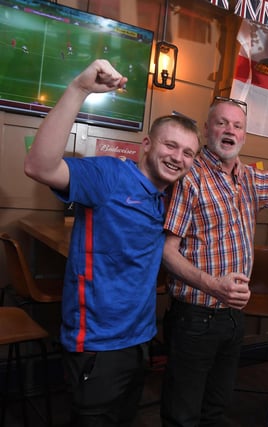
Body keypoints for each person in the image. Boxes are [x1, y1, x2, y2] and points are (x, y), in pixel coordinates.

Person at [23, 59, 201, 426]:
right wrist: (79, 89)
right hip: (98, 345)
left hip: (140, 340)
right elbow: (39, 167)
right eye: (171, 145)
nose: (178, 158)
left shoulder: (169, 196)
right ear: (147, 144)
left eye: (188, 153)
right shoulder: (110, 175)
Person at [160, 99, 268, 426]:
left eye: (237, 125)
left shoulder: (247, 178)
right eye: (222, 123)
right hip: (195, 317)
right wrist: (213, 285)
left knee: (217, 408)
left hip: (233, 317)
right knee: (182, 413)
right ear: (206, 129)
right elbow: (166, 251)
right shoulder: (191, 177)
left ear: (243, 135)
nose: (230, 130)